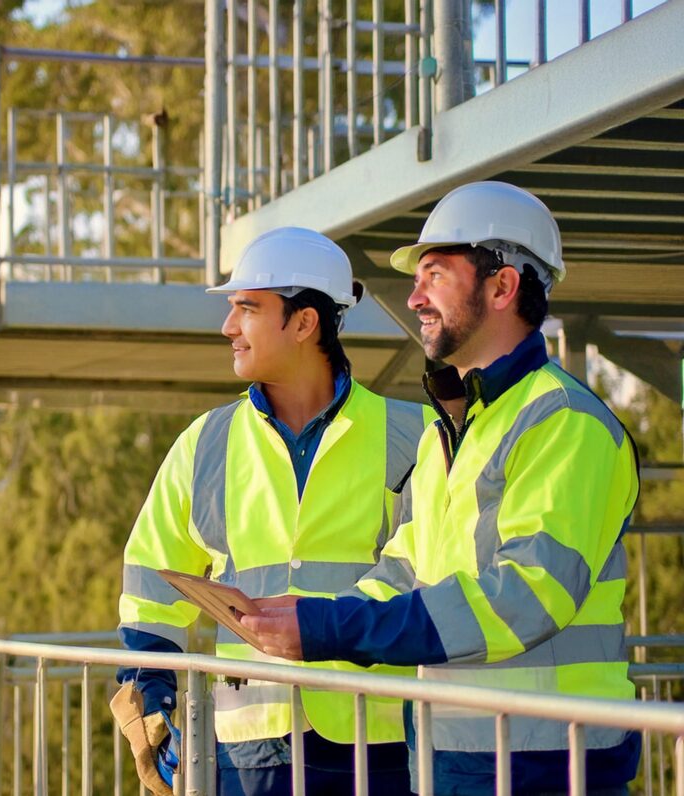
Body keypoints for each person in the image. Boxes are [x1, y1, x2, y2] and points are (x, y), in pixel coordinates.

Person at [241, 183, 641, 795]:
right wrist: (310, 617)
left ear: (503, 286)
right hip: (454, 752)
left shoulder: (565, 421)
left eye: (434, 273)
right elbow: (407, 566)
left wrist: (333, 631)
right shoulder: (447, 432)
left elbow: (527, 594)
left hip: (549, 759)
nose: (415, 296)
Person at [112, 226, 430, 796]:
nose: (228, 327)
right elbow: (148, 579)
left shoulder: (415, 436)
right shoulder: (204, 441)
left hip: (379, 743)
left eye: (247, 309)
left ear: (305, 322)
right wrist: (150, 699)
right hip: (246, 746)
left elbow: (432, 567)